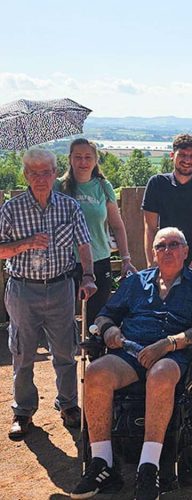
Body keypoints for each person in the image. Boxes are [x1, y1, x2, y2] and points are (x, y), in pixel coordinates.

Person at [71, 228, 192, 500]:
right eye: (161, 246)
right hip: (131, 353)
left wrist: (168, 344)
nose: (168, 250)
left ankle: (149, 468)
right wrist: (109, 330)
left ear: (185, 251)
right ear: (153, 253)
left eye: (175, 245)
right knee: (96, 373)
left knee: (160, 375)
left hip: (173, 355)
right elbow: (103, 316)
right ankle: (102, 464)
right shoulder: (136, 282)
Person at [0, 149, 97, 440]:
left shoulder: (69, 207)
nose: (41, 178)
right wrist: (26, 243)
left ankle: (68, 405)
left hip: (60, 287)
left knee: (66, 350)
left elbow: (83, 245)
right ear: (26, 176)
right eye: (34, 172)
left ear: (55, 173)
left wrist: (89, 276)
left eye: (46, 172)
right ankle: (23, 411)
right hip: (22, 289)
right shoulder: (11, 209)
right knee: (22, 352)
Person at [142, 133, 192, 324]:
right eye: (183, 155)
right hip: (168, 263)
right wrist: (153, 264)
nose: (187, 161)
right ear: (173, 156)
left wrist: (191, 271)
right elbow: (150, 227)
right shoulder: (157, 184)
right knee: (167, 322)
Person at [57, 138, 137, 325]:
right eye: (78, 157)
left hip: (99, 259)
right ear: (70, 159)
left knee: (97, 316)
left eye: (88, 157)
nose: (83, 162)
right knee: (62, 319)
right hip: (66, 262)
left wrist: (126, 259)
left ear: (95, 160)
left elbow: (117, 225)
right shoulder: (58, 187)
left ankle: (96, 354)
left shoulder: (103, 186)